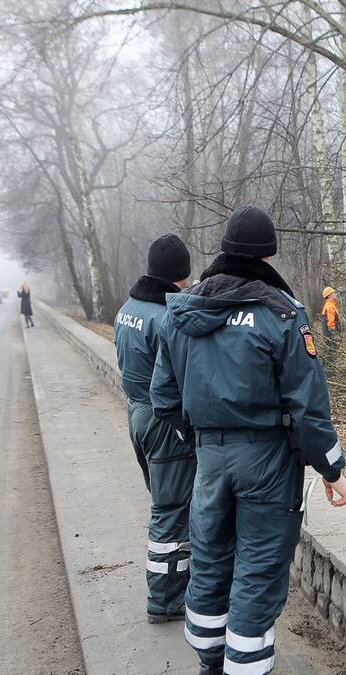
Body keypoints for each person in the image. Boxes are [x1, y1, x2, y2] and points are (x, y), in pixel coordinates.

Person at [151, 206, 346, 675]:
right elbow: (308, 407)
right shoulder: (281, 314)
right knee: (259, 567)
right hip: (267, 460)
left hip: (211, 458)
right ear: (268, 253)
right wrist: (331, 468)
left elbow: (163, 398)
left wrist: (202, 442)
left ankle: (211, 665)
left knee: (212, 556)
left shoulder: (181, 313)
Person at [114, 234, 197, 624]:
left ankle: (177, 582)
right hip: (163, 422)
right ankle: (164, 600)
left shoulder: (127, 309)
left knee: (169, 504)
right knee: (170, 512)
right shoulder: (166, 317)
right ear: (180, 275)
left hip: (136, 414)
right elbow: (179, 379)